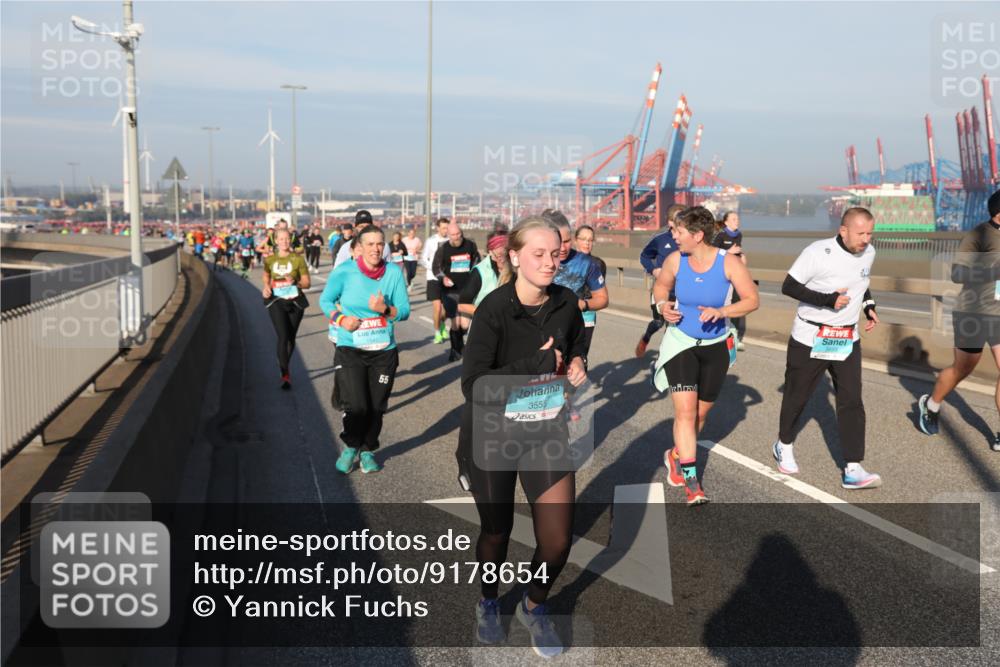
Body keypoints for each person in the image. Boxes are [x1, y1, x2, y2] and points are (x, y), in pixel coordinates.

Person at [457, 216, 587, 657]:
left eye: (556, 254)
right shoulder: (494, 309)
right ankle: (489, 602)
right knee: (498, 531)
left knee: (556, 540)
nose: (550, 263)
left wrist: (576, 362)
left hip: (544, 428)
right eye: (539, 254)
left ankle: (534, 604)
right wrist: (534, 364)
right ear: (514, 256)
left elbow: (576, 340)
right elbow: (473, 386)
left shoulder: (567, 302)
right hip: (491, 432)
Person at [651, 206, 759, 505]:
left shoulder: (729, 264)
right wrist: (663, 306)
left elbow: (752, 300)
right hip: (681, 343)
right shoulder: (675, 260)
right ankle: (691, 482)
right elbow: (660, 287)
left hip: (716, 346)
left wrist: (723, 311)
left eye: (679, 232)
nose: (674, 236)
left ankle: (675, 455)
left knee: (700, 415)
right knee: (685, 413)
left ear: (697, 235)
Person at [771, 207, 882, 488]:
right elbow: (789, 286)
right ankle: (784, 444)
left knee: (851, 400)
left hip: (846, 338)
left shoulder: (869, 252)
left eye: (870, 233)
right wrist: (827, 300)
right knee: (798, 395)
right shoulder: (817, 252)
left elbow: (860, 282)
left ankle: (853, 466)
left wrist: (868, 306)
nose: (866, 239)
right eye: (860, 233)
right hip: (810, 335)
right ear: (843, 230)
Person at [320, 224, 410, 474]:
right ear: (359, 248)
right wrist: (341, 320)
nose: (376, 248)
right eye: (370, 244)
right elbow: (325, 300)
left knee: (376, 405)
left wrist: (385, 310)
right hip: (351, 348)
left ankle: (368, 449)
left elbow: (403, 311)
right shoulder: (345, 272)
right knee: (357, 405)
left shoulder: (392, 272)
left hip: (383, 351)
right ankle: (351, 446)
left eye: (380, 243)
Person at [918, 188, 1000, 451]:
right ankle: (930, 405)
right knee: (962, 369)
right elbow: (958, 274)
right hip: (972, 312)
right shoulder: (978, 235)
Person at [542, 210, 608, 368]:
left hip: (576, 327)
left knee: (572, 379)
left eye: (567, 241)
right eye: (559, 241)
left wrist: (583, 304)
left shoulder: (588, 263)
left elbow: (603, 299)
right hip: (543, 328)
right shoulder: (536, 260)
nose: (563, 247)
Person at [261, 227, 311, 388]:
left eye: (287, 239)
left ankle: (283, 362)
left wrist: (295, 282)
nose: (284, 242)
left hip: (295, 301)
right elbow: (266, 274)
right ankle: (285, 373)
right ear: (275, 241)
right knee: (283, 336)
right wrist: (266, 286)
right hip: (276, 301)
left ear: (291, 240)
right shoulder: (270, 259)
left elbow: (307, 283)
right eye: (281, 239)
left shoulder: (298, 259)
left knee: (290, 338)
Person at [636, 204, 683, 357]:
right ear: (670, 221)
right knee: (658, 323)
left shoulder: (689, 240)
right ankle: (646, 337)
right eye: (678, 218)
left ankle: (666, 357)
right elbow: (644, 256)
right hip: (662, 290)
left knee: (675, 326)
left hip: (682, 291)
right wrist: (654, 270)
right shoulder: (660, 240)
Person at [432, 221, 480, 361]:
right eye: (453, 235)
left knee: (465, 325)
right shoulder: (443, 248)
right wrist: (444, 278)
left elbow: (477, 262)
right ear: (448, 235)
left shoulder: (470, 245)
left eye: (458, 233)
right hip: (450, 291)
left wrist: (475, 278)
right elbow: (436, 268)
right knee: (455, 323)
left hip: (467, 289)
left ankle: (459, 344)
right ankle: (455, 350)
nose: (457, 237)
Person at [712, 211, 748, 348]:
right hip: (722, 274)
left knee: (738, 304)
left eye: (737, 219)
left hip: (737, 273)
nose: (736, 221)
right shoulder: (721, 235)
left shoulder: (739, 234)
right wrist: (729, 252)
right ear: (726, 222)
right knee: (724, 304)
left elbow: (738, 250)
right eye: (733, 219)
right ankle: (721, 334)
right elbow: (712, 253)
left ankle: (735, 337)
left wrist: (742, 255)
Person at [458, 230, 507, 317]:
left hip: (509, 322)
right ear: (490, 252)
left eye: (506, 255)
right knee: (463, 323)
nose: (503, 260)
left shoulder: (516, 268)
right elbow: (462, 305)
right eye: (499, 256)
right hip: (486, 321)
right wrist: (488, 315)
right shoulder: (479, 272)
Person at [421, 218, 451, 343]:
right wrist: (435, 269)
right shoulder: (431, 241)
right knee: (437, 308)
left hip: (448, 279)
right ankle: (437, 332)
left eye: (447, 228)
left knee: (448, 309)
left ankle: (442, 324)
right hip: (433, 278)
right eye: (443, 228)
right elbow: (423, 259)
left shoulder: (451, 241)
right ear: (437, 228)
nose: (446, 230)